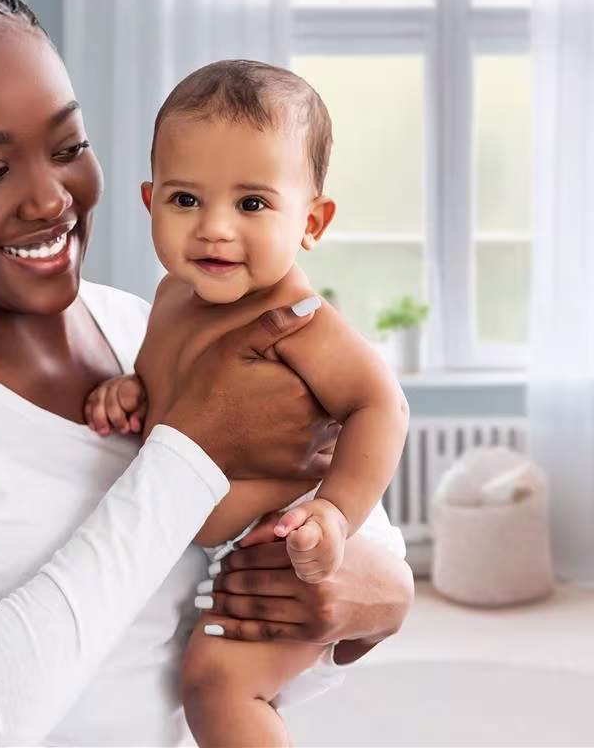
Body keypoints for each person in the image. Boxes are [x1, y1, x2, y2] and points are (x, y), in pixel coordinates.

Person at [0, 0, 414, 747]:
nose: (50, 200)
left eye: (70, 144)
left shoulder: (139, 319)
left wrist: (374, 594)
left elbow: (340, 485)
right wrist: (185, 454)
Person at [83, 59, 410, 748]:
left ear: (313, 221)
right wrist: (132, 390)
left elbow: (382, 406)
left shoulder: (301, 321)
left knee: (218, 686)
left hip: (299, 539)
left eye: (252, 204)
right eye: (186, 200)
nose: (214, 230)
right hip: (227, 547)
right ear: (149, 201)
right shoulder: (172, 297)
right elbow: (173, 386)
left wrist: (334, 514)